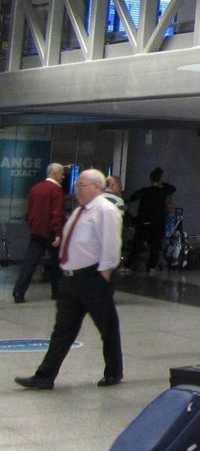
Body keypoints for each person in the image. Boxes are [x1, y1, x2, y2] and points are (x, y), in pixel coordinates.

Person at [15, 169, 123, 389]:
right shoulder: (80, 211)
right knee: (62, 330)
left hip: (92, 278)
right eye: (77, 185)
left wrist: (104, 274)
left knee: (107, 326)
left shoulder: (105, 210)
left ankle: (114, 372)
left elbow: (111, 244)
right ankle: (44, 376)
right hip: (72, 280)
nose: (77, 190)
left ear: (96, 187)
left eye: (82, 185)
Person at [12, 161, 65, 304]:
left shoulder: (35, 188)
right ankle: (57, 292)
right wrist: (58, 233)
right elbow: (57, 214)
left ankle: (19, 291)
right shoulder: (56, 190)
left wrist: (33, 225)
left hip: (37, 231)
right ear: (55, 173)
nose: (63, 177)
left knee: (29, 263)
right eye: (61, 173)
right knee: (56, 264)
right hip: (51, 233)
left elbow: (29, 212)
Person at [124, 166, 175, 271]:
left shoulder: (145, 191)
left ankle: (127, 266)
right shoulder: (162, 192)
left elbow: (132, 198)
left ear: (150, 179)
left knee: (137, 246)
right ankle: (152, 267)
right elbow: (172, 188)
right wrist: (162, 183)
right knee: (154, 247)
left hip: (144, 223)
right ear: (160, 179)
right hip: (157, 223)